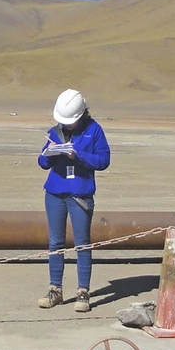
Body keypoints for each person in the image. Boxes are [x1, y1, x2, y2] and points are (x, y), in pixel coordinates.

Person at [37, 89, 111, 312]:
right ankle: (55, 290)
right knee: (55, 243)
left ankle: (83, 292)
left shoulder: (95, 131)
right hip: (55, 194)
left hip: (80, 195)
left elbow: (103, 160)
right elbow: (42, 162)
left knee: (82, 244)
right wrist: (49, 154)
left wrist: (78, 156)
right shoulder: (54, 132)